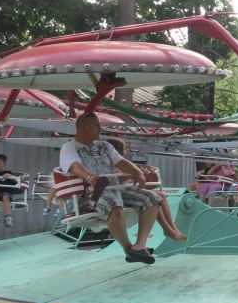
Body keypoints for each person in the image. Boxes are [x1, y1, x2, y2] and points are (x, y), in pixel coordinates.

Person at [59, 112, 162, 265]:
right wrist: (90, 177)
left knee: (153, 198)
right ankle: (128, 248)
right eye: (96, 125)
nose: (100, 129)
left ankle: (140, 245)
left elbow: (121, 162)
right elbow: (74, 166)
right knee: (114, 203)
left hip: (115, 188)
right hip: (90, 193)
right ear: (83, 127)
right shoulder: (69, 147)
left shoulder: (105, 146)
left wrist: (137, 173)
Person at [106, 138, 186, 241]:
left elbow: (131, 182)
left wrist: (141, 175)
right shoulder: (112, 166)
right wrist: (137, 173)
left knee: (161, 195)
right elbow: (116, 180)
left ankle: (172, 228)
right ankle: (167, 229)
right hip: (120, 192)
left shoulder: (123, 165)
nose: (126, 151)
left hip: (127, 190)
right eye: (125, 148)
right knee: (155, 198)